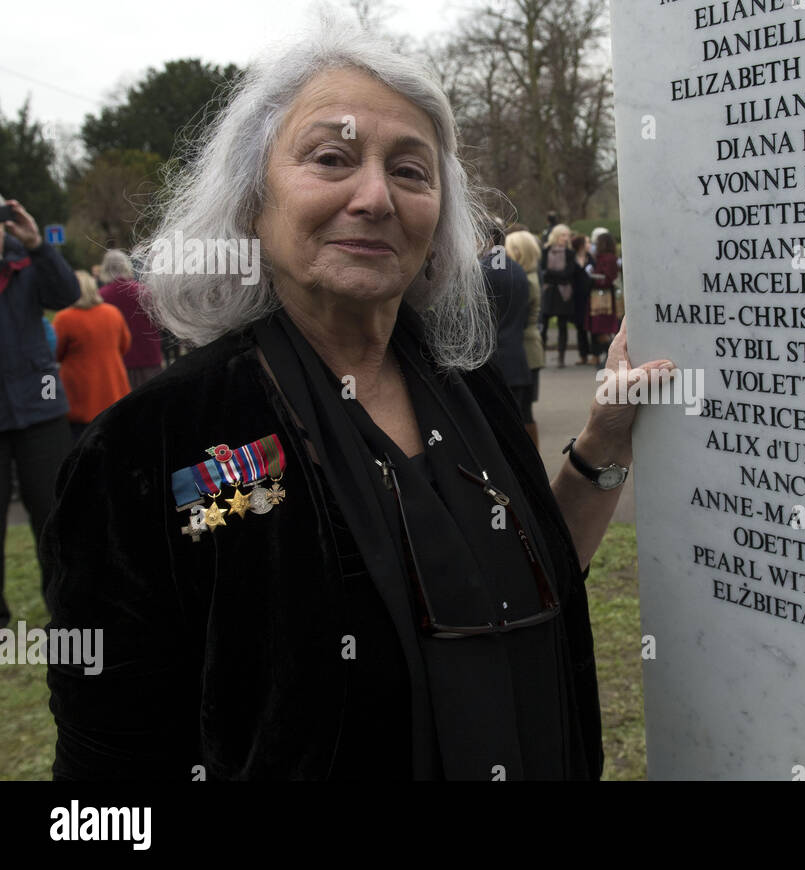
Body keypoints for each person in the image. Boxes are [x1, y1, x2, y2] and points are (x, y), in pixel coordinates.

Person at [42, 16, 672, 781]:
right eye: (332, 158)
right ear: (251, 202)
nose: (375, 196)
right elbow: (109, 761)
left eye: (411, 171)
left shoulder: (463, 381)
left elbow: (536, 572)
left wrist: (605, 442)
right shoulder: (149, 444)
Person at [0, 196, 79, 627]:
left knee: (53, 515)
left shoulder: (26, 264)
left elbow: (66, 293)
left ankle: (65, 610)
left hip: (41, 408)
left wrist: (38, 245)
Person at [52, 271, 132, 442]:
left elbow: (55, 354)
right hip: (113, 387)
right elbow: (124, 345)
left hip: (81, 394)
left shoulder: (64, 319)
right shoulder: (112, 313)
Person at [480, 224, 534, 440]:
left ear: (488, 241)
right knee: (517, 427)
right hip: (516, 358)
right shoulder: (518, 271)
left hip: (489, 361)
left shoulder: (480, 270)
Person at [99, 249, 164, 388]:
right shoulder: (143, 292)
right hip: (148, 355)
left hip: (118, 359)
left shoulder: (101, 297)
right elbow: (160, 320)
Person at [505, 230, 544, 449]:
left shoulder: (525, 281)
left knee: (523, 411)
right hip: (530, 347)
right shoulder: (530, 277)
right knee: (525, 409)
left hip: (525, 349)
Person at [538, 224, 579, 367]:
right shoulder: (545, 251)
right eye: (563, 235)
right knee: (544, 323)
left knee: (562, 325)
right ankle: (540, 357)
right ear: (556, 235)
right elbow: (542, 271)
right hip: (549, 292)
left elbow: (568, 274)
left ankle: (561, 358)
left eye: (567, 235)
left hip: (564, 293)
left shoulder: (570, 253)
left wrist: (551, 274)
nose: (566, 238)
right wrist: (556, 275)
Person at [587, 232, 622, 368]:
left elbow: (608, 278)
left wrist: (593, 277)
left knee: (603, 328)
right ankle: (607, 355)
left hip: (604, 297)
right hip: (600, 297)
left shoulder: (608, 259)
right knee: (600, 329)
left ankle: (611, 353)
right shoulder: (604, 258)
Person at [570, 234, 593, 366]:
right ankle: (583, 355)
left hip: (590, 296)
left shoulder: (591, 258)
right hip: (576, 297)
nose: (589, 245)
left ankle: (594, 354)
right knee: (580, 326)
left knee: (592, 325)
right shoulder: (571, 258)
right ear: (581, 245)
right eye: (587, 242)